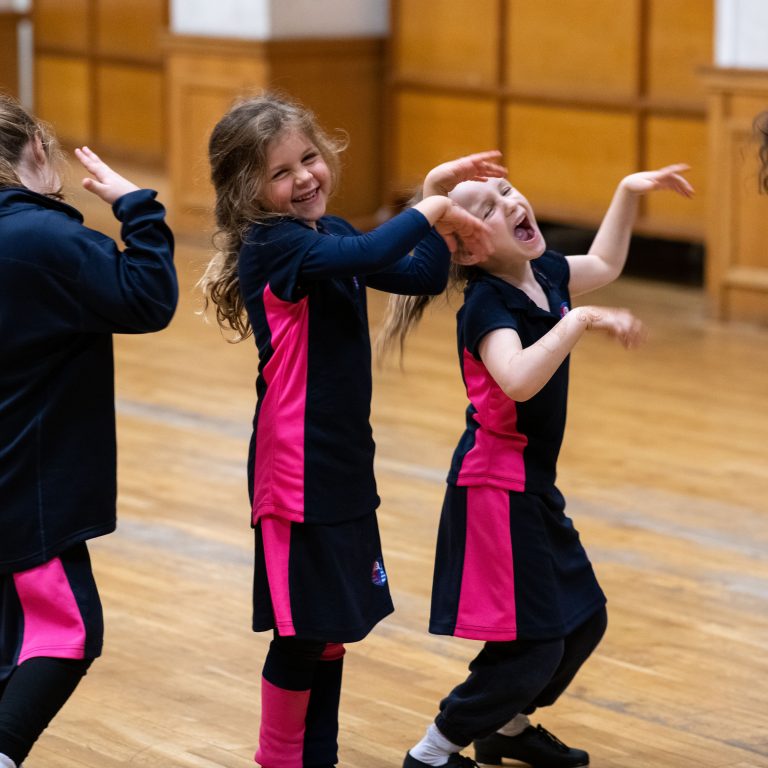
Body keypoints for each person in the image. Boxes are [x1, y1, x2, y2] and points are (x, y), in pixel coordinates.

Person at [199, 91, 502, 768]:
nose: (304, 176)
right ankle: (279, 758)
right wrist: (430, 209)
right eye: (282, 173)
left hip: (339, 464)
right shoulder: (274, 246)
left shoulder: (326, 233)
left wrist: (432, 200)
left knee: (331, 627)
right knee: (301, 632)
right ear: (250, 192)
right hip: (293, 471)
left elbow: (419, 270)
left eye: (309, 158)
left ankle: (319, 756)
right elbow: (372, 251)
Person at [378, 163, 693, 768]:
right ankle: (434, 750)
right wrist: (578, 322)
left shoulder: (543, 272)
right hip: (495, 489)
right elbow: (518, 380)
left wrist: (626, 190)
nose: (510, 201)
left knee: (584, 619)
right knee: (535, 644)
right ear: (466, 247)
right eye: (489, 208)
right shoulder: (487, 306)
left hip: (532, 486)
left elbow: (603, 266)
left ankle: (509, 726)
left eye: (506, 190)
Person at [0, 93, 177, 767]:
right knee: (64, 631)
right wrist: (139, 208)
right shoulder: (41, 237)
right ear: (37, 151)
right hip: (25, 489)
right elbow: (147, 296)